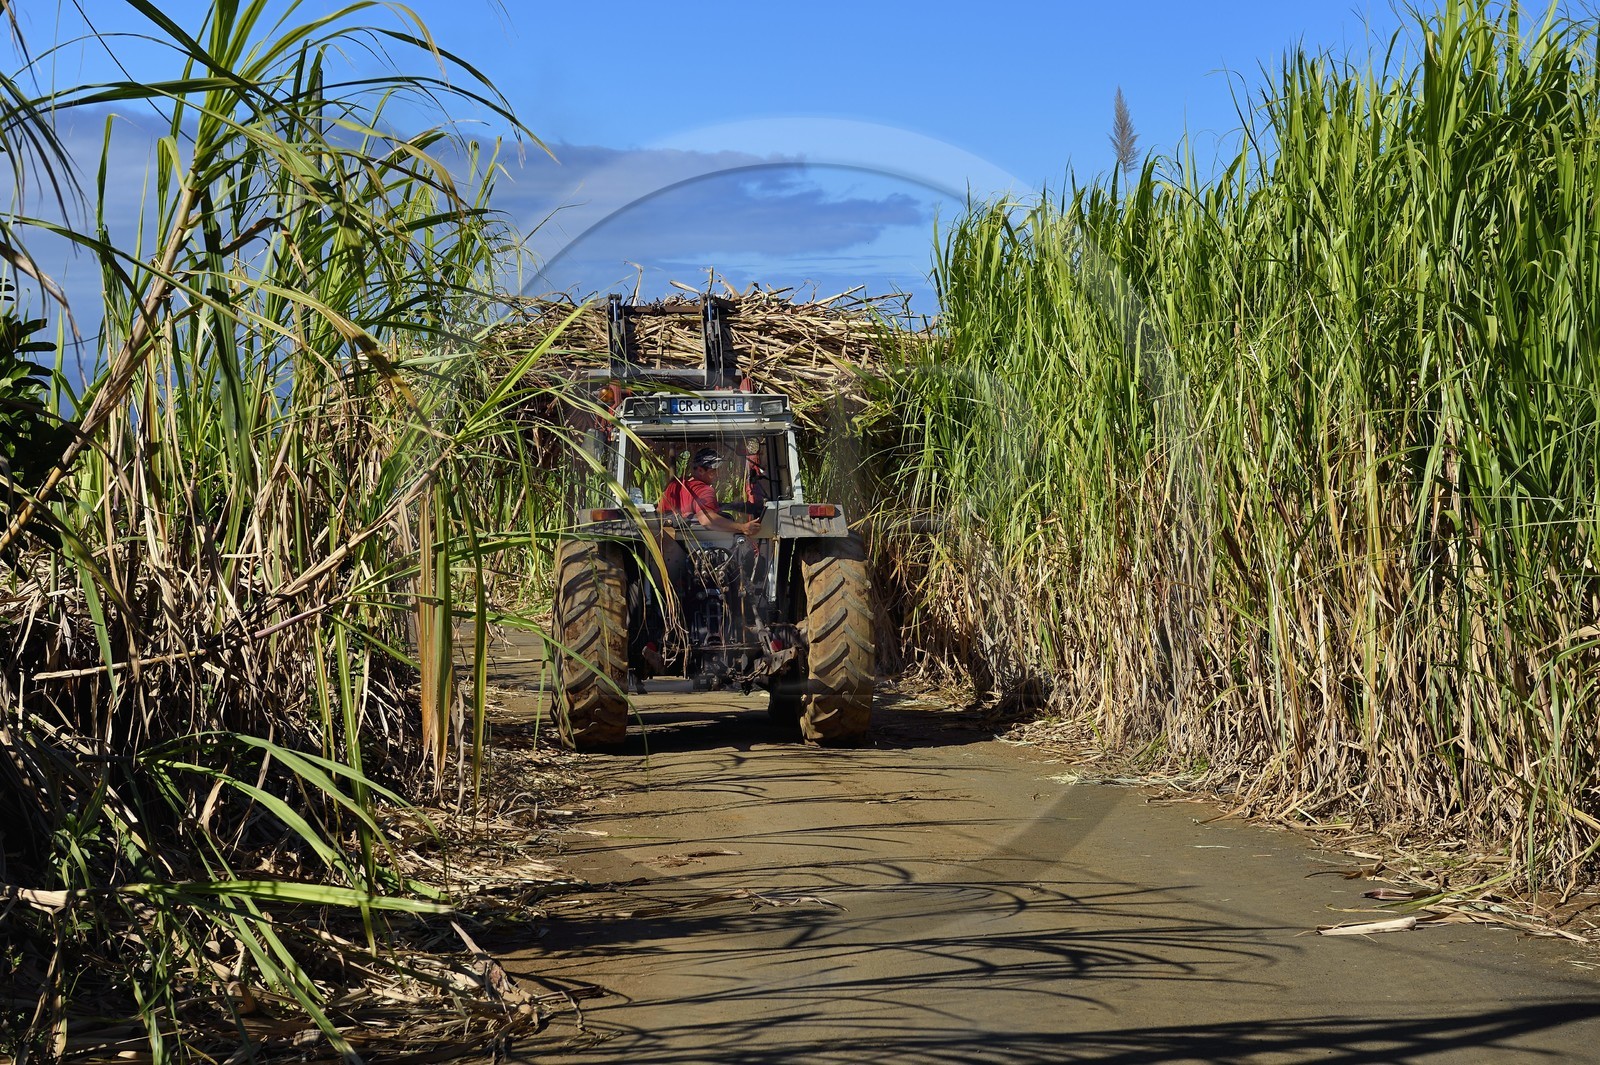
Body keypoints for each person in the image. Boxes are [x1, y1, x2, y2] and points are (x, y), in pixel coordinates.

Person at [659, 447, 760, 536]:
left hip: (670, 545)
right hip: (699, 549)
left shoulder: (674, 485)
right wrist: (742, 527)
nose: (718, 474)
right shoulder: (704, 490)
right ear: (700, 470)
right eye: (714, 471)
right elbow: (707, 520)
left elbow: (659, 512)